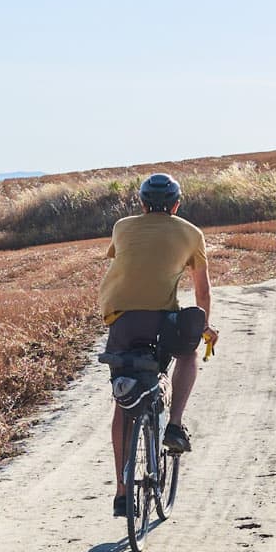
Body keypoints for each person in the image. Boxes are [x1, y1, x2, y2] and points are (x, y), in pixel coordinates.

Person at [98, 172, 212, 517]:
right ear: (176, 205)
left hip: (121, 320)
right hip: (163, 320)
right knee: (188, 354)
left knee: (123, 403)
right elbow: (203, 292)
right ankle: (174, 425)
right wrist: (205, 327)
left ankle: (121, 493)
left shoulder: (122, 227)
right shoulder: (192, 233)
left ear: (143, 204)